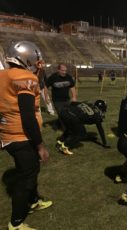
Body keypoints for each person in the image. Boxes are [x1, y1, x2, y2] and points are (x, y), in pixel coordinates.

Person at [0, 41, 52, 230]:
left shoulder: (4, 75)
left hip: (8, 133)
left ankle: (34, 200)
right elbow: (28, 116)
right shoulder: (24, 77)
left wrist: (39, 72)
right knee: (27, 178)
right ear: (27, 57)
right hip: (22, 136)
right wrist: (40, 145)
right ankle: (16, 223)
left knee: (30, 170)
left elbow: (27, 88)